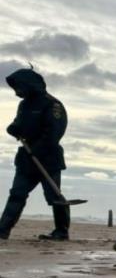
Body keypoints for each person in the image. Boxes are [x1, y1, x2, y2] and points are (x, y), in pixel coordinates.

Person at [1, 68, 69, 241]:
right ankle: (3, 230)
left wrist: (38, 149)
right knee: (17, 193)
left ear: (30, 84)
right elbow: (20, 124)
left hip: (48, 159)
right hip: (26, 159)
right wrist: (14, 128)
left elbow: (55, 131)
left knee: (54, 196)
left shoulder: (52, 104)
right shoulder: (24, 105)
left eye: (19, 87)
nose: (17, 91)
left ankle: (61, 231)